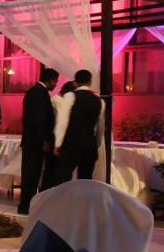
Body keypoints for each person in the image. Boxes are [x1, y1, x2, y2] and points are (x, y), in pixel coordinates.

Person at [18, 67, 59, 214]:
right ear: (50, 80)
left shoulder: (36, 92)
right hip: (34, 142)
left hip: (33, 141)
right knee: (31, 175)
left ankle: (27, 204)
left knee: (32, 175)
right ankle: (26, 206)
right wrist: (44, 140)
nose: (56, 85)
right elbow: (38, 120)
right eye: (55, 81)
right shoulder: (39, 93)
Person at [53, 69, 104, 184]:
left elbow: (62, 120)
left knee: (63, 177)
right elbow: (100, 126)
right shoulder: (100, 101)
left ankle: (64, 196)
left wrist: (58, 143)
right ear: (90, 82)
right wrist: (97, 143)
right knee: (85, 179)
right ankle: (83, 197)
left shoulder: (70, 96)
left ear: (75, 83)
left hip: (71, 142)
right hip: (89, 144)